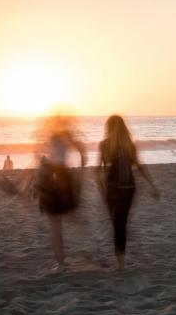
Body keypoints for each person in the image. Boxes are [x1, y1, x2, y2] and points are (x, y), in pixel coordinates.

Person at [98, 115, 160, 271]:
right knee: (119, 224)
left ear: (109, 128)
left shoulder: (105, 145)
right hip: (128, 189)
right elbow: (139, 166)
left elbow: (97, 170)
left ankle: (121, 264)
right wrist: (153, 185)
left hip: (113, 189)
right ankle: (121, 261)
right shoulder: (129, 145)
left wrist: (101, 187)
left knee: (118, 224)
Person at [35, 114, 87, 269]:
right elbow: (79, 148)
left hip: (54, 177)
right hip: (63, 176)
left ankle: (61, 263)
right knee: (61, 219)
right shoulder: (66, 135)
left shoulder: (54, 135)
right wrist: (83, 162)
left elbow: (51, 157)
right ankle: (61, 261)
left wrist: (44, 161)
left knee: (55, 227)